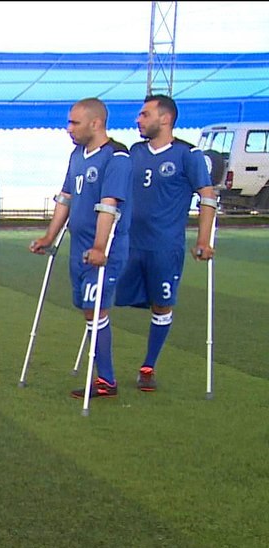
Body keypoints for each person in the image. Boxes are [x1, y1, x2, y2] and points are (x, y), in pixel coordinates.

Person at [30, 97, 132, 399]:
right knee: (87, 308)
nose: (68, 128)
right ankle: (104, 374)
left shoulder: (117, 157)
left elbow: (109, 205)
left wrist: (100, 247)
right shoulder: (77, 155)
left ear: (95, 123)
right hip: (78, 247)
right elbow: (66, 197)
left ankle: (107, 380)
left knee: (95, 308)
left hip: (105, 248)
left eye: (74, 122)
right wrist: (49, 236)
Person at [115, 94, 217, 391]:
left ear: (165, 118)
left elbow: (207, 197)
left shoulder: (188, 154)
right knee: (104, 300)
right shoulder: (133, 152)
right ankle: (102, 369)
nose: (138, 119)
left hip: (164, 247)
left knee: (161, 305)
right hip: (128, 244)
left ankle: (148, 366)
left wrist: (203, 240)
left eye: (145, 114)